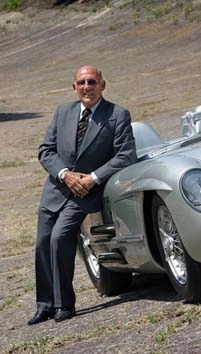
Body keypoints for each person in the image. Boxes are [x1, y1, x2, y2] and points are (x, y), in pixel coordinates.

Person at [28, 66, 137, 325]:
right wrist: (65, 174)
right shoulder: (62, 112)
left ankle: (64, 305)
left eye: (92, 82)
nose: (86, 86)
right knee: (43, 243)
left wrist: (92, 178)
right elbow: (46, 150)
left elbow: (126, 155)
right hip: (57, 188)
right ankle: (45, 305)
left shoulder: (118, 115)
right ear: (74, 87)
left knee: (60, 237)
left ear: (103, 85)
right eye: (81, 82)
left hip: (88, 192)